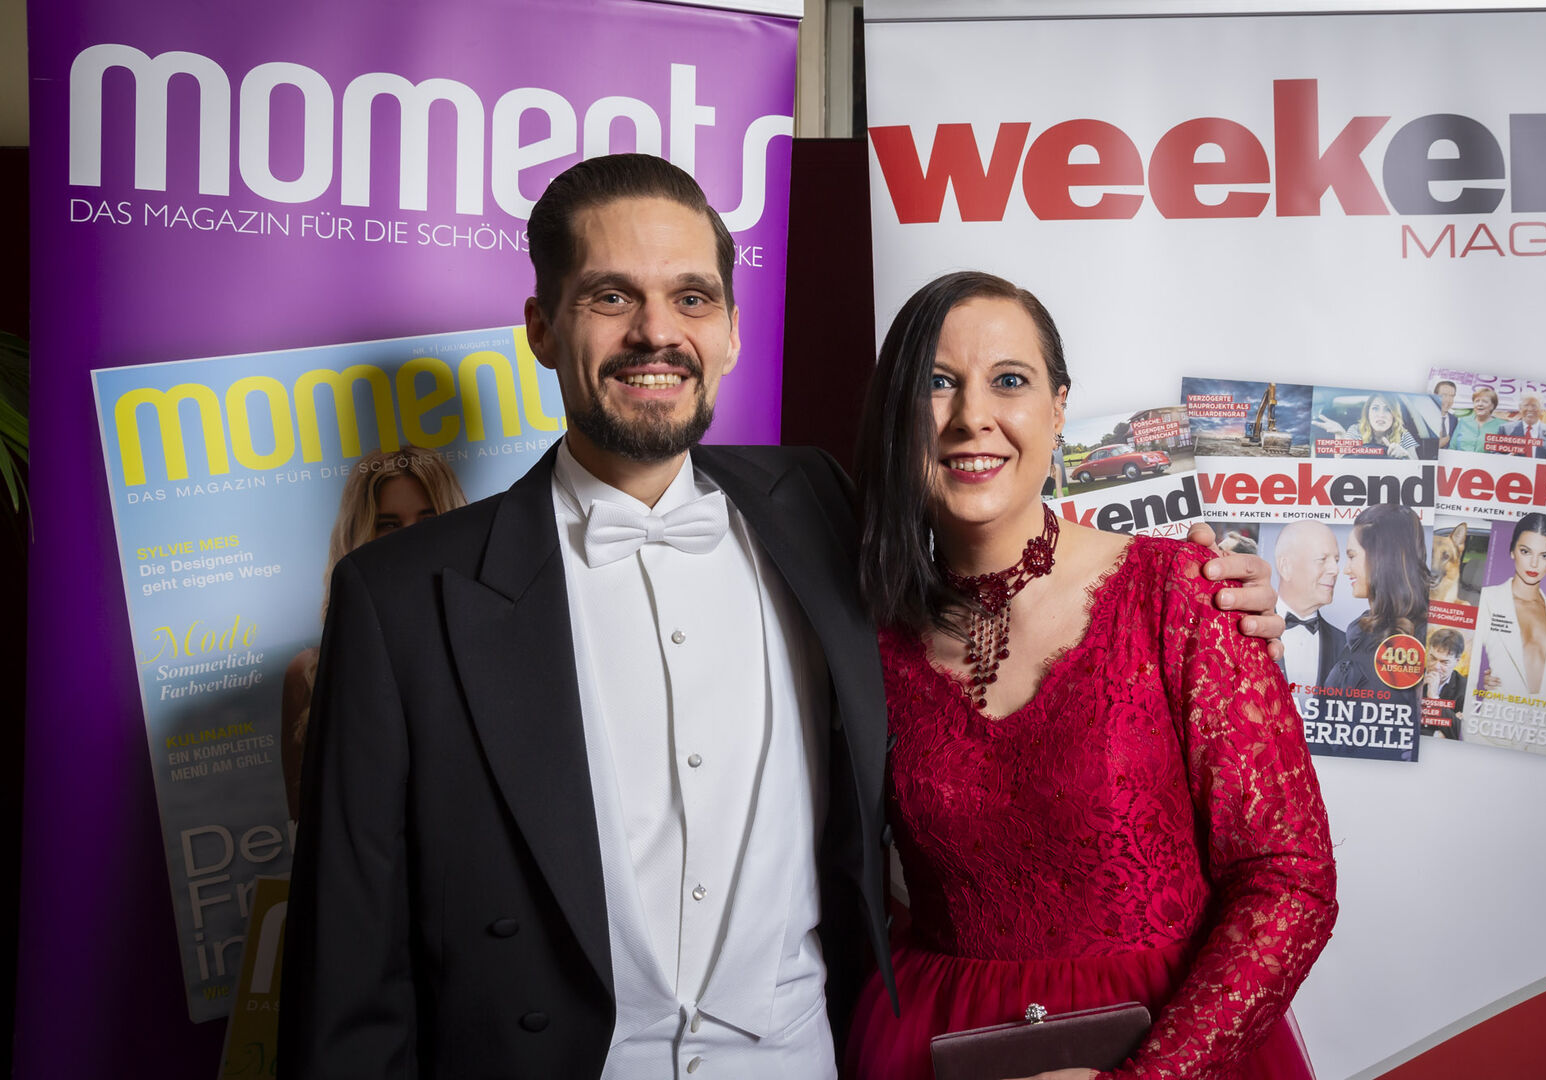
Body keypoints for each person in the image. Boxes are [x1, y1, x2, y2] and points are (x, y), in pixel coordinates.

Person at [279, 155, 1285, 1080]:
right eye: (611, 297)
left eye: (691, 298)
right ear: (542, 326)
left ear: (730, 331)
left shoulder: (817, 509)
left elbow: (1001, 558)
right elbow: (347, 980)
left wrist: (1218, 597)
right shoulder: (400, 599)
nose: (657, 333)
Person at [845, 271, 1335, 1080]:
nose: (972, 416)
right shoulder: (862, 635)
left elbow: (1290, 880)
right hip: (932, 1045)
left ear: (1059, 408)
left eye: (1010, 381)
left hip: (1175, 1048)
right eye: (938, 382)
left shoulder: (1182, 593)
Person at [280, 444, 467, 820]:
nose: (410, 539)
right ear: (357, 537)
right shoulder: (309, 675)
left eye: (428, 518)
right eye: (389, 525)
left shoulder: (494, 648)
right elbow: (307, 830)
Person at [1320, 503, 1430, 757]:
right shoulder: (1362, 631)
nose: (1345, 569)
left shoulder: (1415, 641)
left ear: (1381, 558)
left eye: (1352, 556)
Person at [1466, 513, 1546, 754]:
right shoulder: (1487, 600)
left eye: (1544, 556)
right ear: (1512, 551)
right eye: (1526, 551)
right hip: (1495, 733)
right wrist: (1472, 733)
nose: (1534, 564)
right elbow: (1467, 671)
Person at [1273, 521, 1346, 690]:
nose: (1335, 570)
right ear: (1285, 567)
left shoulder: (1345, 645)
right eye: (1322, 559)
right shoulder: (1247, 630)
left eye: (1336, 560)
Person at [1322, 393, 1417, 459]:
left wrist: (1406, 456)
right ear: (1368, 413)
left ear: (1394, 415)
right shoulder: (1356, 430)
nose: (1381, 415)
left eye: (1388, 409)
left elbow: (1417, 468)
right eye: (1375, 408)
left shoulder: (1403, 435)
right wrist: (1340, 436)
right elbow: (1340, 465)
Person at [1422, 628, 1468, 739]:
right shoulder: (1411, 677)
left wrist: (1434, 699)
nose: (1436, 667)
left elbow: (1463, 732)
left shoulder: (1465, 688)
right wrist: (1436, 735)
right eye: (1432, 658)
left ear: (1457, 661)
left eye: (1444, 662)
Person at [1449, 386, 1508, 453]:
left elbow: (1505, 452)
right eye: (1477, 401)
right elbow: (1452, 447)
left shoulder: (1502, 426)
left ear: (1492, 406)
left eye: (1485, 401)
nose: (1480, 404)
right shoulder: (1463, 421)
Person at [1506, 392, 1546, 459]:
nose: (1530, 409)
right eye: (1526, 405)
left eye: (1534, 406)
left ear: (1542, 409)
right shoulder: (1506, 429)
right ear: (1520, 408)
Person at [1434, 379, 1458, 449]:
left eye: (1452, 396)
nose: (1448, 400)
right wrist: (1436, 446)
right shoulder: (1423, 418)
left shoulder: (1454, 420)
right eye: (1444, 395)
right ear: (1434, 395)